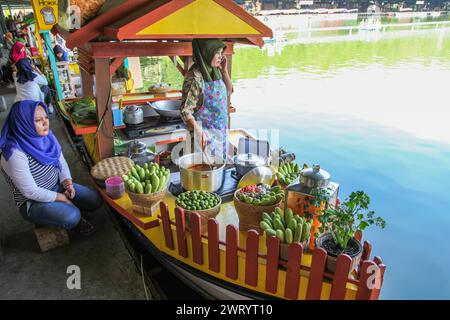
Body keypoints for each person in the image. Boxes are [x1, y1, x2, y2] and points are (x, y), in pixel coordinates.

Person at [0, 101, 102, 234]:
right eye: (38, 120)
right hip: (33, 201)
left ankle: (68, 210)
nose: (45, 123)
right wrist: (62, 197)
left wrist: (67, 182)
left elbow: (61, 161)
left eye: (46, 118)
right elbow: (31, 192)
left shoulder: (47, 136)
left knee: (95, 199)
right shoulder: (13, 153)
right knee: (72, 217)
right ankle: (71, 217)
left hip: (56, 185)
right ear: (22, 123)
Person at [179, 39, 233, 160]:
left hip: (220, 133)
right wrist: (199, 133)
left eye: (221, 53)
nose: (221, 57)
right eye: (217, 53)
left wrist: (224, 71)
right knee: (203, 172)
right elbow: (185, 110)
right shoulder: (195, 78)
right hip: (204, 137)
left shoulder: (216, 71)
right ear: (206, 53)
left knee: (218, 170)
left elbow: (229, 91)